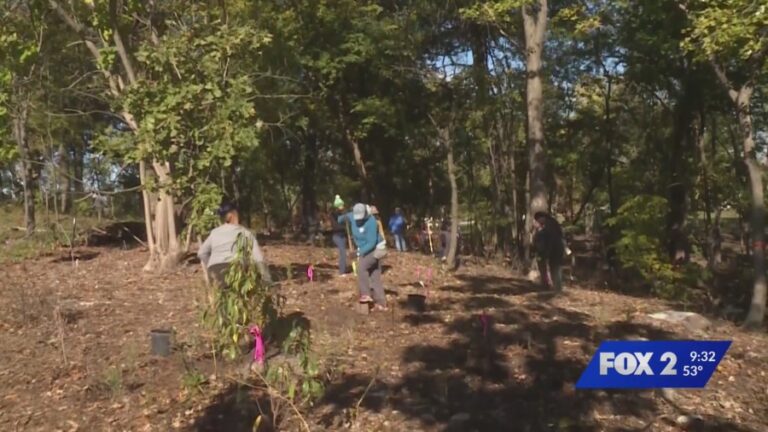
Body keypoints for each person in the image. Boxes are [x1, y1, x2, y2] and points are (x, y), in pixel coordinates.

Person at [198, 202, 272, 288]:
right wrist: (267, 279)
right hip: (236, 270)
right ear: (232, 216)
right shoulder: (245, 233)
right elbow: (258, 258)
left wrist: (211, 265)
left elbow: (201, 253)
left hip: (216, 271)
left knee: (223, 292)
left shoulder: (214, 232)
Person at [338, 203, 387, 311]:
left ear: (365, 214)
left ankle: (365, 294)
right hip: (364, 249)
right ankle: (381, 303)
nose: (358, 221)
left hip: (377, 249)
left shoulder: (371, 222)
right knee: (374, 276)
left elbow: (371, 243)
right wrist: (342, 217)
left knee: (361, 268)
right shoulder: (352, 215)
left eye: (361, 219)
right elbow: (340, 219)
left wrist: (357, 253)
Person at [532, 211, 565, 292]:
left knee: (555, 268)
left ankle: (557, 288)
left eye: (538, 219)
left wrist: (547, 251)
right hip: (552, 249)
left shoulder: (549, 224)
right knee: (553, 267)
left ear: (542, 217)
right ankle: (554, 286)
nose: (538, 221)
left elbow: (550, 238)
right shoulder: (550, 223)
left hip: (555, 249)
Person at [329, 195, 348, 276]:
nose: (342, 207)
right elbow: (335, 226)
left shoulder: (344, 213)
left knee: (344, 253)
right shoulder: (333, 215)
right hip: (337, 236)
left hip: (343, 236)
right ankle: (342, 271)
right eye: (341, 205)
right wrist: (344, 227)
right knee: (343, 252)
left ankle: (344, 268)